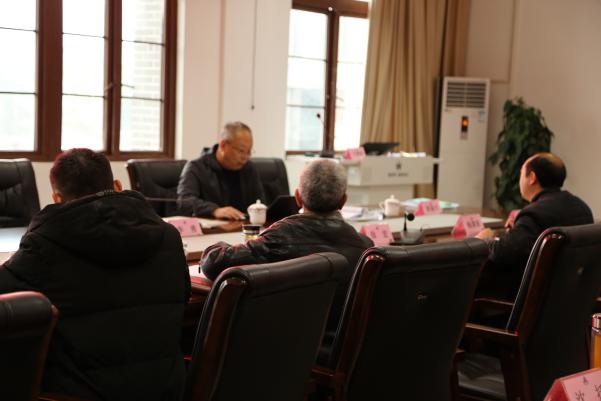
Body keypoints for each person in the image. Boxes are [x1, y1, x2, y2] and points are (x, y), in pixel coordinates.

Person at [0, 149, 191, 401]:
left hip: (79, 393)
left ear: (57, 198)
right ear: (117, 186)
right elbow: (184, 296)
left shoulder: (45, 244)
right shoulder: (168, 236)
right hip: (166, 391)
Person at [199, 159, 373, 331]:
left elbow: (213, 262)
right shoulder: (366, 248)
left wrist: (220, 245)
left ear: (298, 197)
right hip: (338, 344)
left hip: (281, 340)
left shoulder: (280, 236)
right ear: (343, 200)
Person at [475, 152, 593, 300]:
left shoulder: (534, 214)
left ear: (531, 177)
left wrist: (484, 240)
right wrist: (519, 227)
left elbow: (503, 254)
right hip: (571, 299)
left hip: (532, 302)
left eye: (521, 174)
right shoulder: (582, 207)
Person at [177, 121, 265, 220]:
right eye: (241, 151)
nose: (245, 157)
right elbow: (184, 201)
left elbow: (260, 202)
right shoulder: (196, 167)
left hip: (245, 226)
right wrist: (215, 210)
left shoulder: (249, 168)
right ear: (223, 145)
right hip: (214, 227)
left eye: (249, 152)